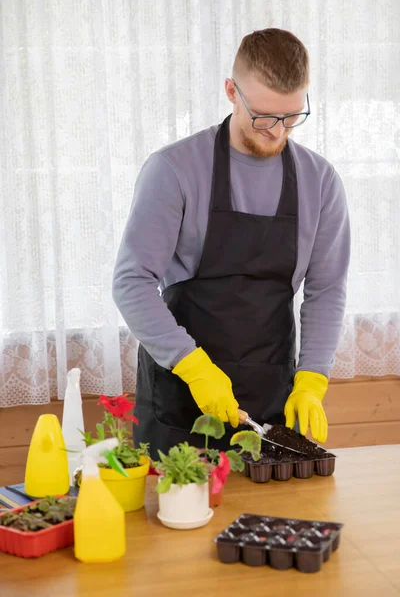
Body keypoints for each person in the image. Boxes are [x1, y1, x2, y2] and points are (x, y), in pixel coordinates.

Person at [113, 28, 350, 459]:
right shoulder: (173, 169)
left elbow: (326, 289)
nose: (277, 132)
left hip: (270, 396)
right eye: (263, 116)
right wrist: (194, 367)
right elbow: (132, 282)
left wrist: (312, 380)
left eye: (291, 117)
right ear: (230, 91)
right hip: (182, 394)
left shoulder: (321, 182)